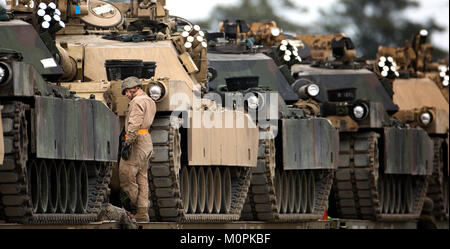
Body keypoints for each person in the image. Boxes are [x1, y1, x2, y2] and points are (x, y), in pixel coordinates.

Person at [119, 76, 156, 222]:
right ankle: (142, 213)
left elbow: (134, 124)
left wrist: (128, 143)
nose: (126, 95)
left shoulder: (137, 102)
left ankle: (142, 205)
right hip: (146, 140)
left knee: (126, 176)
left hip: (136, 142)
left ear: (134, 88)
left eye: (127, 91)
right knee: (141, 177)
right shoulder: (149, 100)